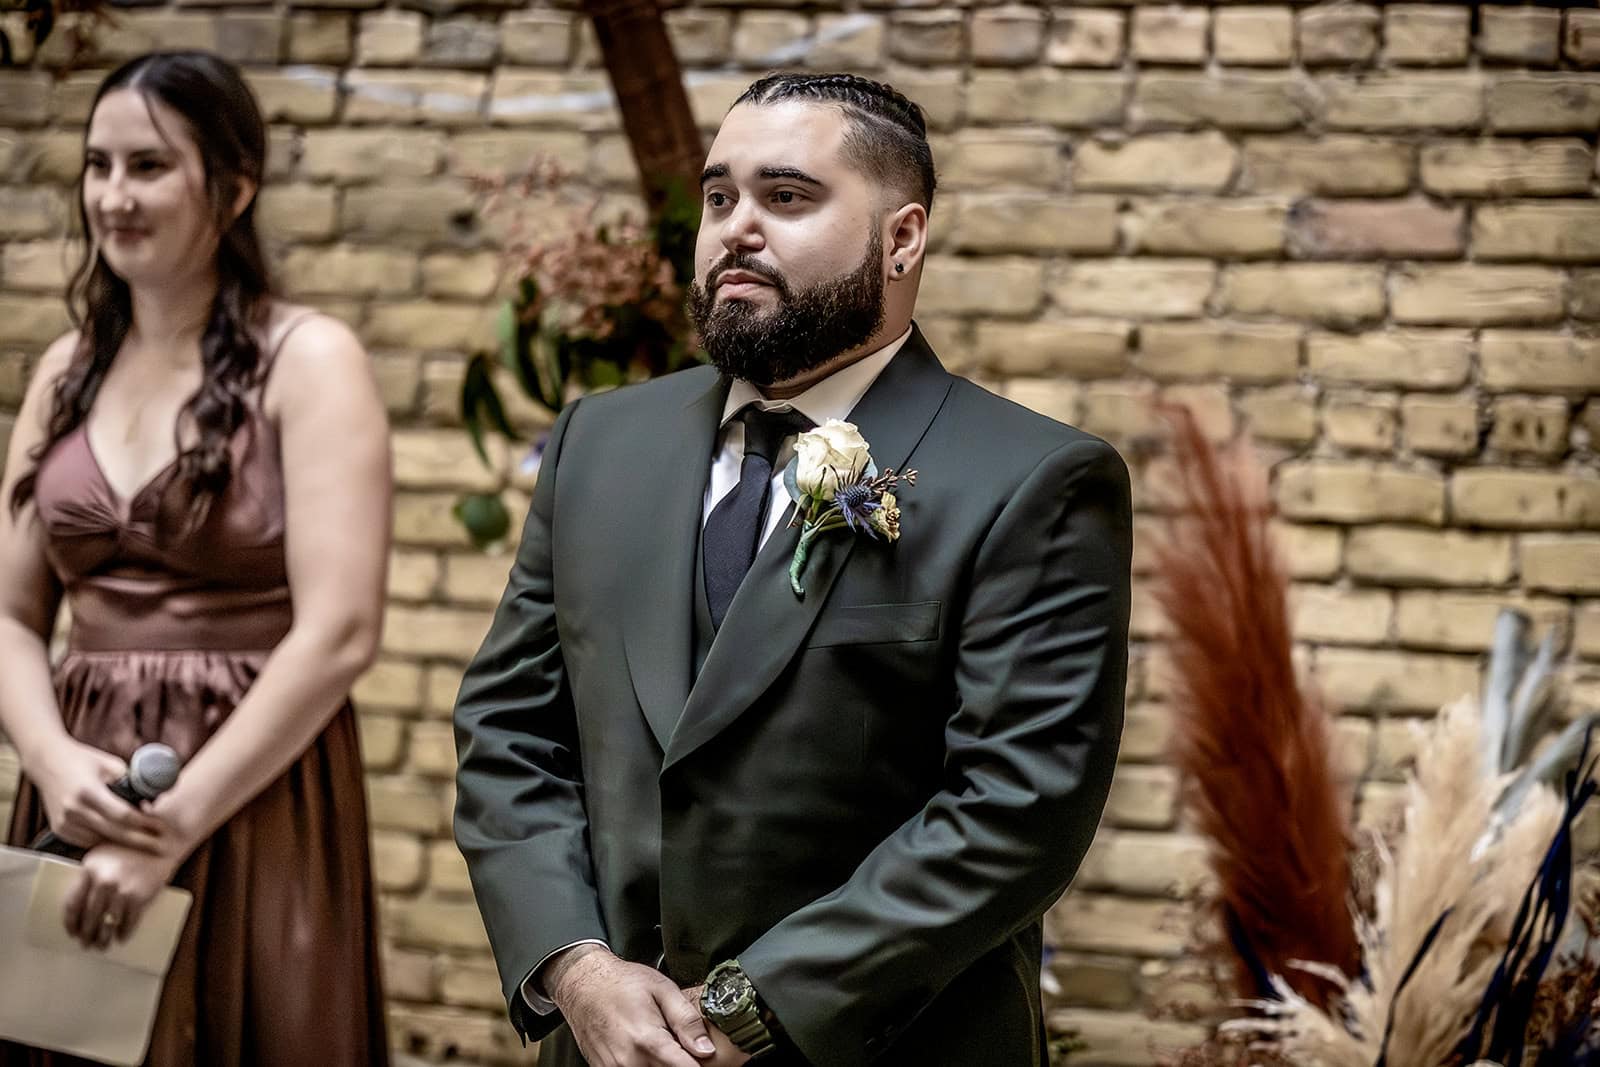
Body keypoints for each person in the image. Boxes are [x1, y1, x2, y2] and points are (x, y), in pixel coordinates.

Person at [453, 72, 1131, 1067]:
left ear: (902, 238)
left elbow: (1013, 808)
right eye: (720, 196)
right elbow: (510, 729)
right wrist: (575, 965)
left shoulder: (1033, 480)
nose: (735, 227)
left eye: (787, 196)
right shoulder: (601, 441)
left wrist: (749, 1010)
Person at [0, 51, 391, 1065]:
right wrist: (48, 760)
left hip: (247, 791)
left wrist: (170, 828)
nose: (114, 197)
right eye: (97, 166)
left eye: (148, 167)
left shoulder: (310, 360)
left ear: (234, 185)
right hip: (80, 781)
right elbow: (8, 614)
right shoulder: (63, 372)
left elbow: (341, 631)